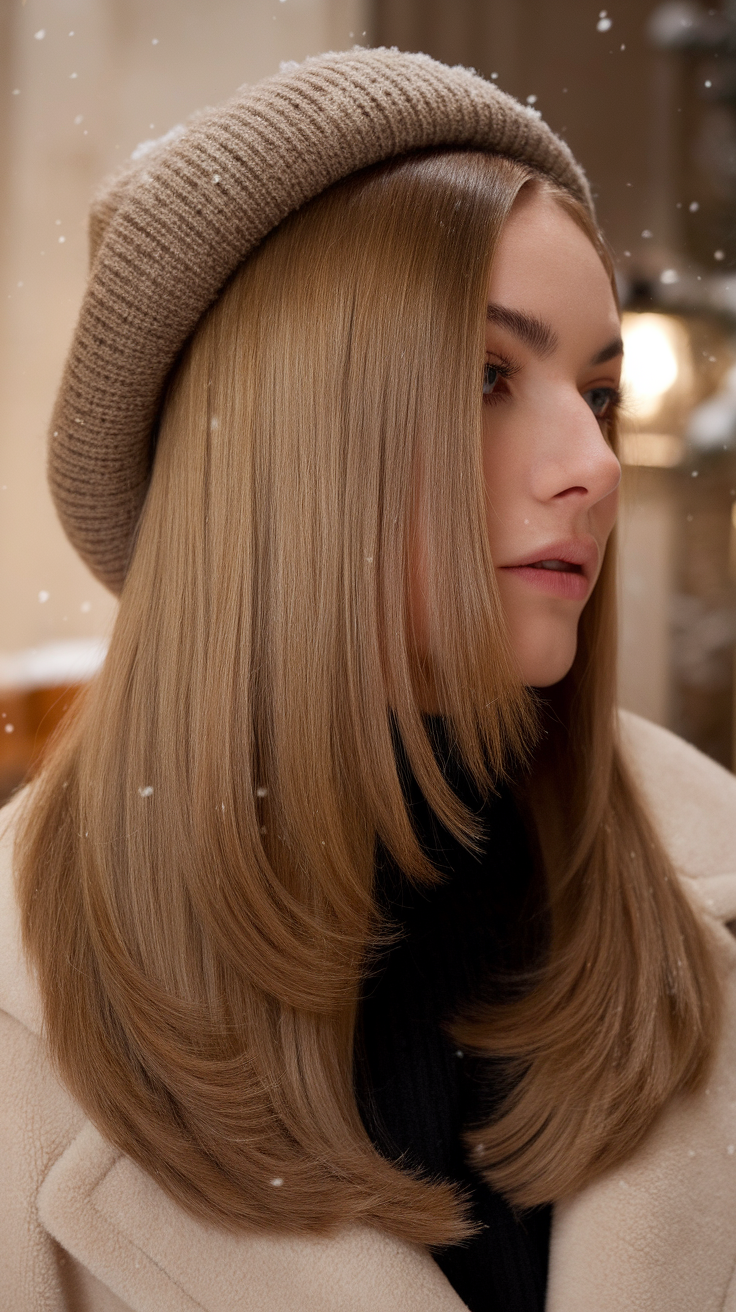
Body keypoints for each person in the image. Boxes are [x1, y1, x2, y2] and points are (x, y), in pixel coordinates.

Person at [1, 47, 736, 1312]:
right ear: (280, 451)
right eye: (486, 377)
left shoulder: (697, 902)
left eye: (599, 392)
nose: (595, 465)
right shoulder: (24, 1024)